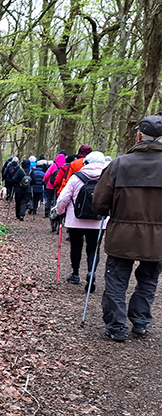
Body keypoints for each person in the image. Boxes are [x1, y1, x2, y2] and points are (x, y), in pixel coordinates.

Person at [93, 115, 162, 342]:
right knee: (149, 279)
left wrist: (107, 209)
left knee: (116, 279)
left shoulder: (119, 164)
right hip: (157, 239)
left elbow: (99, 202)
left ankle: (116, 326)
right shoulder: (119, 163)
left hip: (122, 236)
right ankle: (140, 321)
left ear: (139, 136)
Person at [54, 151, 108, 290]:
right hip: (98, 221)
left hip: (75, 220)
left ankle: (75, 274)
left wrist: (60, 212)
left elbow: (63, 198)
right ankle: (91, 272)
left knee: (76, 246)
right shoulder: (107, 178)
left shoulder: (76, 177)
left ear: (86, 163)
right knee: (94, 248)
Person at [43, 153, 65, 219]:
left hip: (50, 185)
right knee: (58, 199)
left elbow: (47, 174)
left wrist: (44, 180)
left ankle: (47, 212)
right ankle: (56, 212)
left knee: (49, 199)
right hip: (59, 186)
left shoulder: (53, 165)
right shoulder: (65, 166)